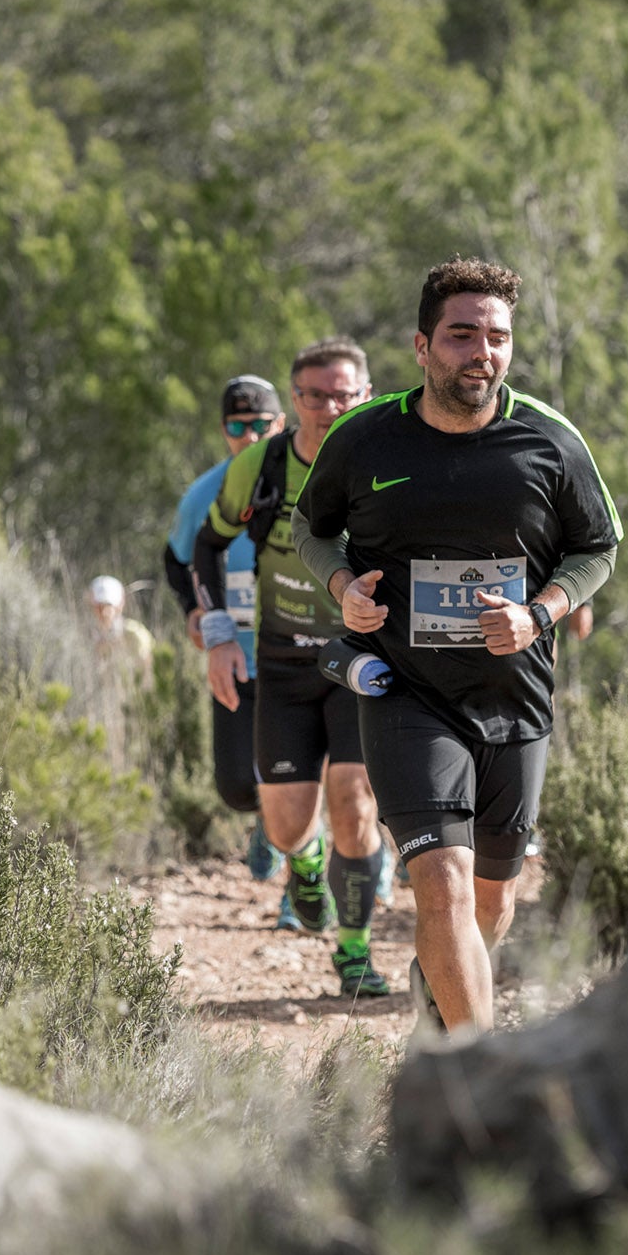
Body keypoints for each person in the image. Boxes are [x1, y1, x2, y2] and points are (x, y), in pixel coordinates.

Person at [293, 258, 619, 1035]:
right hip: (410, 695)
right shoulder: (365, 437)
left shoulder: (549, 440)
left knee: (492, 902)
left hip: (515, 699)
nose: (482, 352)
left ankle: (439, 1002)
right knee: (442, 885)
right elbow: (313, 527)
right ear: (422, 345)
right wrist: (345, 589)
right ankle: (478, 1077)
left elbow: (598, 548)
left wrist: (540, 613)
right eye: (462, 334)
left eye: (497, 337)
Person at [193, 339, 394, 997]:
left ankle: (355, 953)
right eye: (313, 395)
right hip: (281, 658)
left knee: (355, 802)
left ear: (365, 394)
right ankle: (303, 863)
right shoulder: (260, 466)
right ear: (295, 398)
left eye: (343, 395)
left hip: (358, 657)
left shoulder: (388, 458)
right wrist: (219, 632)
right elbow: (207, 545)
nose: (328, 408)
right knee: (284, 823)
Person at [163, 376, 289, 887]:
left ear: (280, 424)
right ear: (224, 430)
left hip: (296, 651)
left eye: (262, 424)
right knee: (238, 786)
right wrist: (195, 612)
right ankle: (269, 819)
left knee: (304, 774)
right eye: (239, 425)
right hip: (233, 653)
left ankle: (303, 872)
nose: (251, 435)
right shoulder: (203, 493)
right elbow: (177, 562)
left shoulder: (306, 480)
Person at [88, 574, 153, 672]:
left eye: (109, 606)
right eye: (99, 606)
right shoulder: (87, 636)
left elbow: (149, 674)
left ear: (120, 605)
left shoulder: (135, 633)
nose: (104, 612)